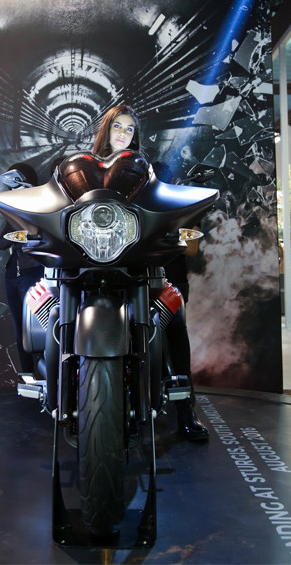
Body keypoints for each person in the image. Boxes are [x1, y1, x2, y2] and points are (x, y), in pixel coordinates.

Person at [91, 104, 209, 441]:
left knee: (174, 322)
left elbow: (165, 207)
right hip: (96, 266)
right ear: (106, 129)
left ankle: (186, 410)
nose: (123, 134)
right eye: (117, 126)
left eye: (129, 129)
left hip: (142, 266)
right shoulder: (86, 170)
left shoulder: (148, 171)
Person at [0, 163, 44, 375]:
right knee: (20, 330)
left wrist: (26, 234)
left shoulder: (40, 207)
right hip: (13, 275)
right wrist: (17, 234)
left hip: (32, 273)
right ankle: (28, 376)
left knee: (37, 329)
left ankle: (46, 376)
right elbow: (0, 242)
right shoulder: (13, 212)